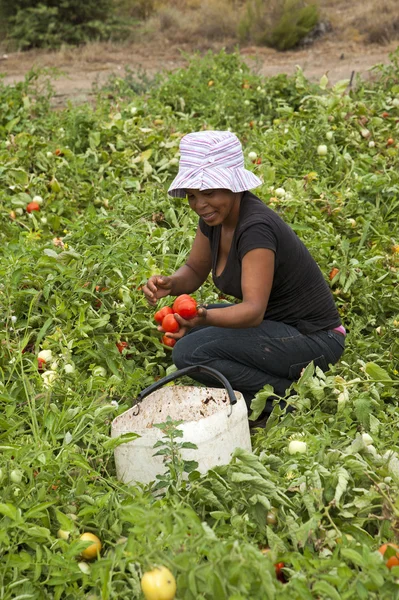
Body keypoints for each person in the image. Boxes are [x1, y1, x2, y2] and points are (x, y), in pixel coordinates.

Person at [143, 130, 345, 419]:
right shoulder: (214, 219)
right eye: (192, 195)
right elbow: (194, 270)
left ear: (233, 186)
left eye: (210, 192)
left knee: (189, 354)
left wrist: (205, 317)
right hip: (278, 327)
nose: (200, 204)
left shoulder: (255, 229)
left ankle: (285, 398)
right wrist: (170, 284)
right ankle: (273, 391)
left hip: (315, 339)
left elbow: (251, 312)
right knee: (191, 329)